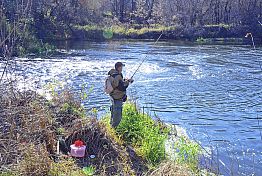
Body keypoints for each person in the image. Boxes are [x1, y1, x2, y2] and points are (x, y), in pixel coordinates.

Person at [108, 62, 134, 128]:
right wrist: (128, 82)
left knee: (113, 116)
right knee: (117, 119)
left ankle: (110, 129)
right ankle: (112, 131)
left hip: (113, 97)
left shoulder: (113, 74)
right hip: (117, 98)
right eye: (121, 67)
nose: (122, 68)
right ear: (119, 67)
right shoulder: (118, 76)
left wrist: (126, 80)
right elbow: (121, 88)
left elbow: (118, 84)